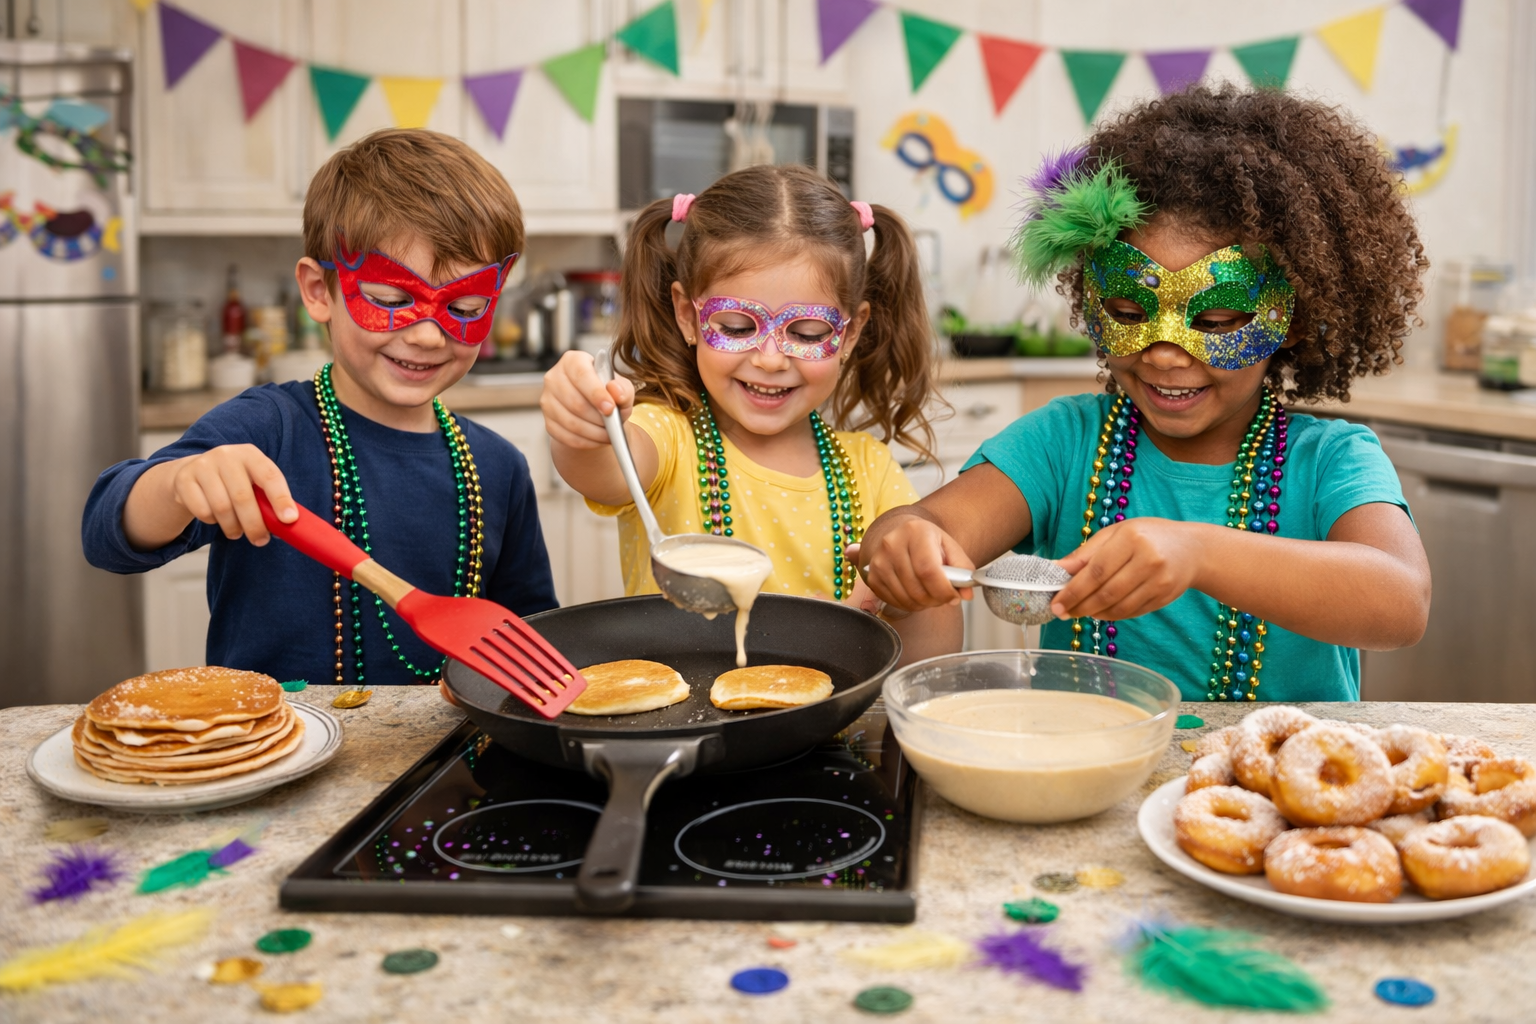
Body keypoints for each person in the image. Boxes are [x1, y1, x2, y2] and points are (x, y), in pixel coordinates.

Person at [857, 86, 1432, 701]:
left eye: (1215, 320)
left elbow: (1400, 603)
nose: (1163, 354)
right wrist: (905, 538)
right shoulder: (1063, 443)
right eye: (1129, 312)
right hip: (1088, 754)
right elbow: (927, 525)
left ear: (1292, 319)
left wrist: (1198, 552)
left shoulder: (1330, 461)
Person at [83, 128, 556, 688]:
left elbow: (530, 635)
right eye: (389, 299)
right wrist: (179, 484)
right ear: (317, 291)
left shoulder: (499, 466)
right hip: (271, 740)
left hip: (451, 744)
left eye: (468, 307)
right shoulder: (266, 430)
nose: (428, 335)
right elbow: (106, 532)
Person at [541, 164, 960, 662]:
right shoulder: (668, 437)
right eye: (738, 326)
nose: (770, 359)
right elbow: (605, 469)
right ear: (688, 316)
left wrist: (907, 597)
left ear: (849, 333)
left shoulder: (870, 469)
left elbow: (931, 656)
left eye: (807, 333)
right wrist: (585, 427)